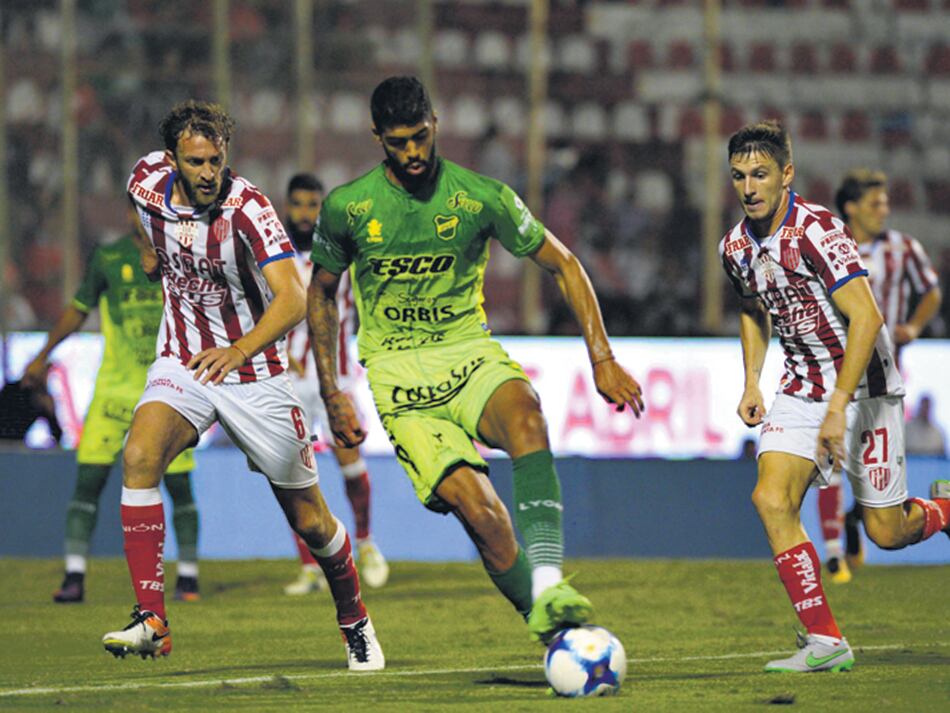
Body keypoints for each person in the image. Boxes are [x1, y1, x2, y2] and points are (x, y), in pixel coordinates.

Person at [308, 76, 644, 645]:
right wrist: (331, 391)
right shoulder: (348, 206)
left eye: (418, 136)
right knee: (482, 515)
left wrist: (602, 358)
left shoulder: (480, 196)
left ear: (435, 122)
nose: (412, 152)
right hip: (398, 372)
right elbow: (319, 293)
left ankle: (549, 582)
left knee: (528, 415)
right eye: (397, 142)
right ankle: (550, 629)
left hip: (468, 352)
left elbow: (565, 264)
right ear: (377, 138)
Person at [101, 100, 383, 670]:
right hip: (183, 360)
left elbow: (294, 298)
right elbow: (142, 218)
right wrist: (150, 254)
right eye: (196, 161)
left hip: (255, 373)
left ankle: (354, 619)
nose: (208, 172)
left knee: (311, 520)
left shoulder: (248, 208)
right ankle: (152, 619)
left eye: (216, 159)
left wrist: (238, 349)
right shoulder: (145, 182)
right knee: (139, 454)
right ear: (173, 159)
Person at [720, 120, 950, 673]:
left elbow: (867, 318)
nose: (749, 188)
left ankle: (943, 506)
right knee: (771, 500)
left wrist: (839, 409)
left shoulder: (817, 229)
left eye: (760, 175)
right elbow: (753, 308)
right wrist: (752, 380)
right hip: (801, 383)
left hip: (863, 385)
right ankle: (826, 643)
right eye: (738, 177)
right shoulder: (734, 246)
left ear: (786, 175)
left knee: (887, 532)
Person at [22, 211, 201, 604]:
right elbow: (78, 308)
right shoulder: (109, 257)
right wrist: (43, 353)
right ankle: (74, 575)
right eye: (142, 210)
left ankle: (188, 577)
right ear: (130, 213)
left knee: (179, 487)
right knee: (89, 481)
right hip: (114, 393)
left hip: (166, 390)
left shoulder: (184, 254)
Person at [820, 169, 944, 580]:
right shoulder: (829, 249)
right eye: (876, 203)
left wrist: (913, 326)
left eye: (887, 202)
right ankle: (836, 554)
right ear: (851, 207)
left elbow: (931, 291)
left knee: (879, 509)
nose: (884, 210)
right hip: (836, 374)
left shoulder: (903, 247)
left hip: (881, 381)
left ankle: (860, 519)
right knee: (830, 457)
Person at [282, 172, 389, 595]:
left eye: (314, 205)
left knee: (351, 461)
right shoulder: (273, 254)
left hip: (337, 374)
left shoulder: (343, 249)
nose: (306, 213)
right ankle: (310, 566)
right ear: (287, 207)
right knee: (293, 473)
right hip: (288, 379)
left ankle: (365, 543)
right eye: (299, 204)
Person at [0, 367, 62, 444]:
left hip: (13, 448)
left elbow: (58, 436)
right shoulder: (11, 390)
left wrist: (51, 413)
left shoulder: (41, 401)